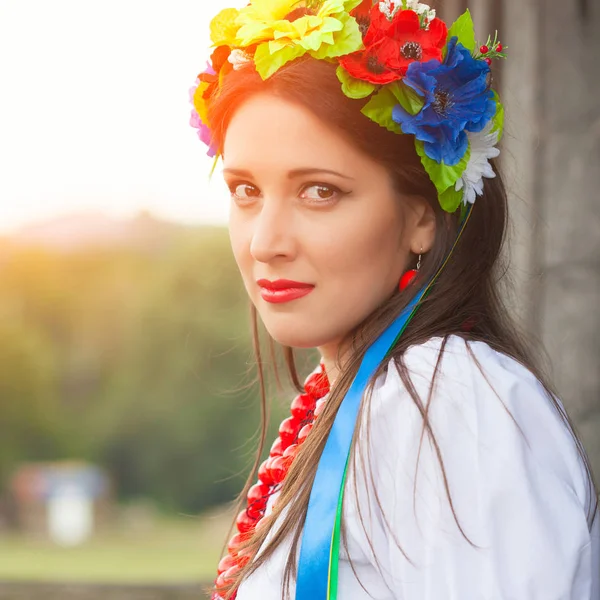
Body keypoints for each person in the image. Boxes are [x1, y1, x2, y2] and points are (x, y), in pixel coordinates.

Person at [189, 1, 600, 598]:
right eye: (246, 190)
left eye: (320, 191)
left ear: (421, 218)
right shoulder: (371, 393)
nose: (265, 242)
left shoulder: (447, 397)